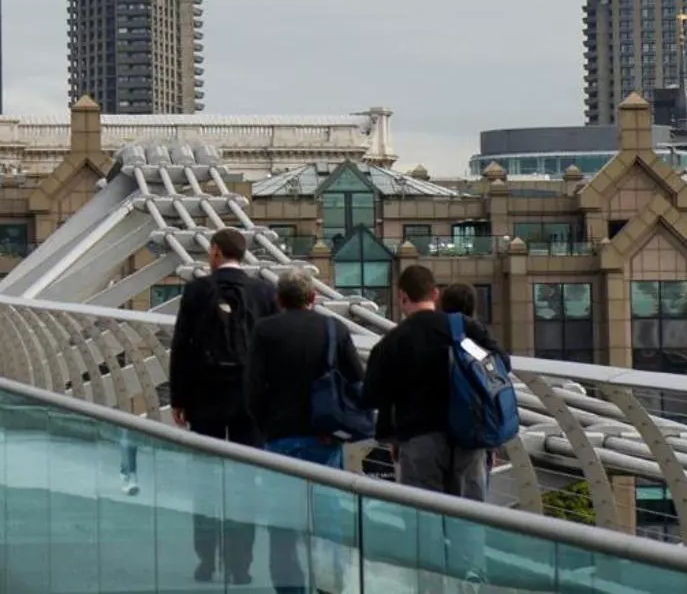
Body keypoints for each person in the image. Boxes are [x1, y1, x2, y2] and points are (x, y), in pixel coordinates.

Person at [167, 228, 277, 587]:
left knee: (205, 480)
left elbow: (182, 346)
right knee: (246, 482)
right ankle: (241, 566)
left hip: (206, 398)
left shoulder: (197, 291)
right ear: (242, 255)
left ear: (215, 252)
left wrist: (179, 398)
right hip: (250, 401)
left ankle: (205, 561)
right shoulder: (263, 291)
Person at [249, 271, 365, 594]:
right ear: (313, 298)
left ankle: (290, 589)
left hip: (280, 439)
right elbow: (357, 382)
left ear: (279, 300)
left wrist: (267, 427)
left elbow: (253, 389)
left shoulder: (265, 330)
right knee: (327, 524)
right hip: (324, 439)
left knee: (283, 525)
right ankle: (329, 586)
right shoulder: (334, 328)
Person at [364, 264, 502, 502]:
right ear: (435, 294)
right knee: (469, 516)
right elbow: (500, 365)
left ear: (402, 296)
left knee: (424, 520)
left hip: (419, 440)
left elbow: (372, 396)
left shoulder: (392, 342)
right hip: (468, 436)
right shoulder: (462, 329)